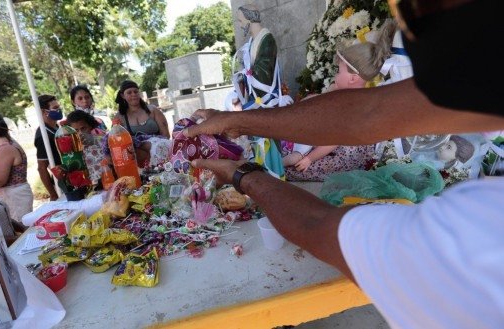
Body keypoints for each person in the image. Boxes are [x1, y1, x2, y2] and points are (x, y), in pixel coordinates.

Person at [184, 0, 504, 327]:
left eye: (412, 8)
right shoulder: (485, 79)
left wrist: (242, 174)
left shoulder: (483, 237)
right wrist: (237, 122)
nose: (408, 22)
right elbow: (369, 114)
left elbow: (318, 226)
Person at [282, 19, 397, 181]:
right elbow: (321, 102)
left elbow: (334, 140)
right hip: (332, 141)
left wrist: (311, 158)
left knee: (300, 169)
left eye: (338, 70)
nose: (335, 75)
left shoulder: (354, 104)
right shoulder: (342, 91)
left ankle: (299, 157)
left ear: (352, 78)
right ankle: (296, 152)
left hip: (345, 152)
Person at [229, 4, 293, 181]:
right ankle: (264, 177)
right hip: (254, 100)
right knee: (257, 140)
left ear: (249, 19)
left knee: (268, 140)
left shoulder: (267, 39)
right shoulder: (251, 42)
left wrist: (247, 75)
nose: (241, 24)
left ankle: (274, 178)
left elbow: (265, 72)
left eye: (241, 21)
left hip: (264, 99)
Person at [114, 80, 170, 166]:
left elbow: (166, 135)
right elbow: (117, 142)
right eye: (129, 92)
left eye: (136, 91)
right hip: (138, 159)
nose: (133, 94)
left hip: (161, 151)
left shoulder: (153, 110)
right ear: (122, 96)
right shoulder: (119, 117)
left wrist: (151, 146)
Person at [36, 94, 63, 201]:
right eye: (55, 108)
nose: (59, 110)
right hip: (60, 182)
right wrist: (53, 194)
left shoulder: (56, 127)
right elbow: (42, 168)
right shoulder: (43, 135)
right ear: (43, 112)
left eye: (58, 107)